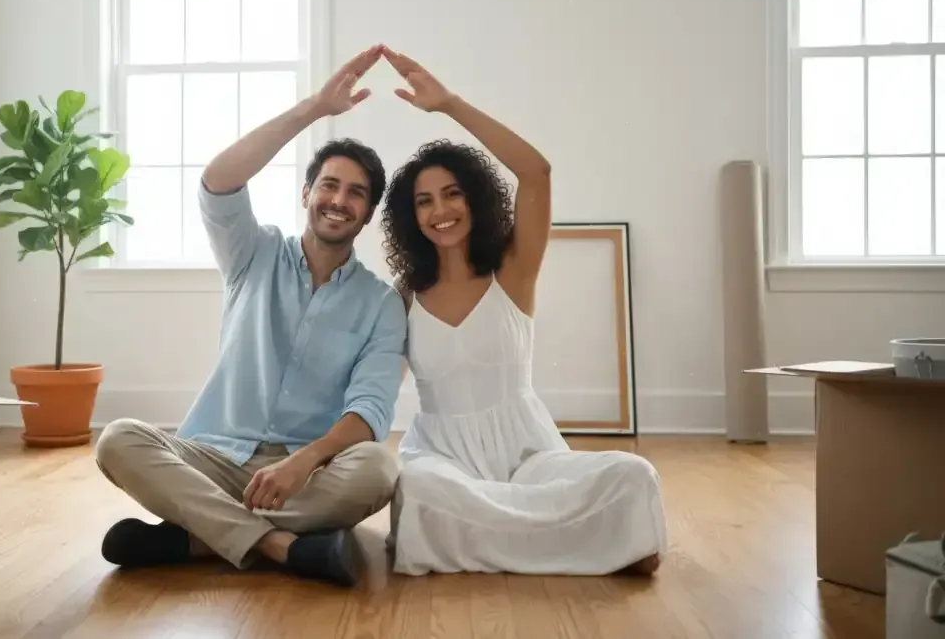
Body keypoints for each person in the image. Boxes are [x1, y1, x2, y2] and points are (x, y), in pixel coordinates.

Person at [94, 45, 406, 588]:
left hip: (306, 473)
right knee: (118, 438)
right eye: (329, 185)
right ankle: (277, 545)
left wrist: (302, 462)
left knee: (379, 469)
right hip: (213, 456)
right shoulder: (252, 254)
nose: (339, 200)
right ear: (306, 192)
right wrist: (312, 109)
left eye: (356, 194)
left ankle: (194, 537)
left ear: (368, 213)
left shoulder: (380, 302)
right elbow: (218, 181)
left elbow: (371, 410)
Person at [377, 46, 668, 577]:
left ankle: (498, 540)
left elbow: (536, 171)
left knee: (634, 474)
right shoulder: (403, 296)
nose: (440, 211)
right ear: (409, 215)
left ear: (476, 199)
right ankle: (585, 542)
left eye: (451, 194)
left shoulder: (513, 271)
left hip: (529, 459)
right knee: (419, 490)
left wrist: (450, 104)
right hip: (442, 459)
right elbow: (377, 384)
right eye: (424, 201)